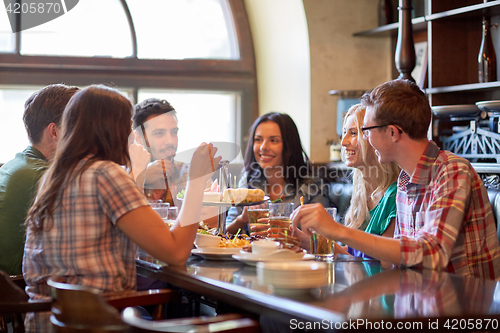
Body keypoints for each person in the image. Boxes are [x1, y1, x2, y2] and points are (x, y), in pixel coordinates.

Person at [23, 85, 220, 332]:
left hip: (49, 322)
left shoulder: (53, 177)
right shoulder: (105, 174)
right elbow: (176, 253)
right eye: (128, 127)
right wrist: (197, 181)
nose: (132, 136)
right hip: (95, 324)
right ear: (110, 130)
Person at [292, 79, 500, 279]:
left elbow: (432, 254)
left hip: (464, 309)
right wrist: (319, 244)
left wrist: (338, 231)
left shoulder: (452, 171)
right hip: (418, 303)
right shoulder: (404, 180)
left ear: (392, 132)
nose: (364, 139)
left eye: (366, 131)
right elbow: (391, 262)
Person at [0, 84, 79, 275]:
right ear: (54, 132)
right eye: (80, 128)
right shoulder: (43, 175)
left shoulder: (17, 163)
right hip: (18, 293)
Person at [226, 112, 330, 235]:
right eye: (258, 140)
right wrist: (242, 219)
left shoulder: (313, 186)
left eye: (274, 140)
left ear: (289, 147)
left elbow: (322, 236)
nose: (263, 147)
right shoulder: (248, 181)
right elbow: (226, 231)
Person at [339, 104, 400, 258]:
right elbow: (353, 256)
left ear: (375, 139)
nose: (343, 142)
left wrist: (335, 230)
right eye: (344, 133)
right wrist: (307, 241)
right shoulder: (362, 190)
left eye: (353, 133)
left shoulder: (394, 195)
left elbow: (385, 261)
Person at [130, 98, 188, 206]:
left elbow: (211, 218)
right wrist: (141, 178)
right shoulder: (122, 174)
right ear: (138, 137)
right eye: (159, 133)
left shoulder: (186, 173)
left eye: (174, 132)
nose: (171, 141)